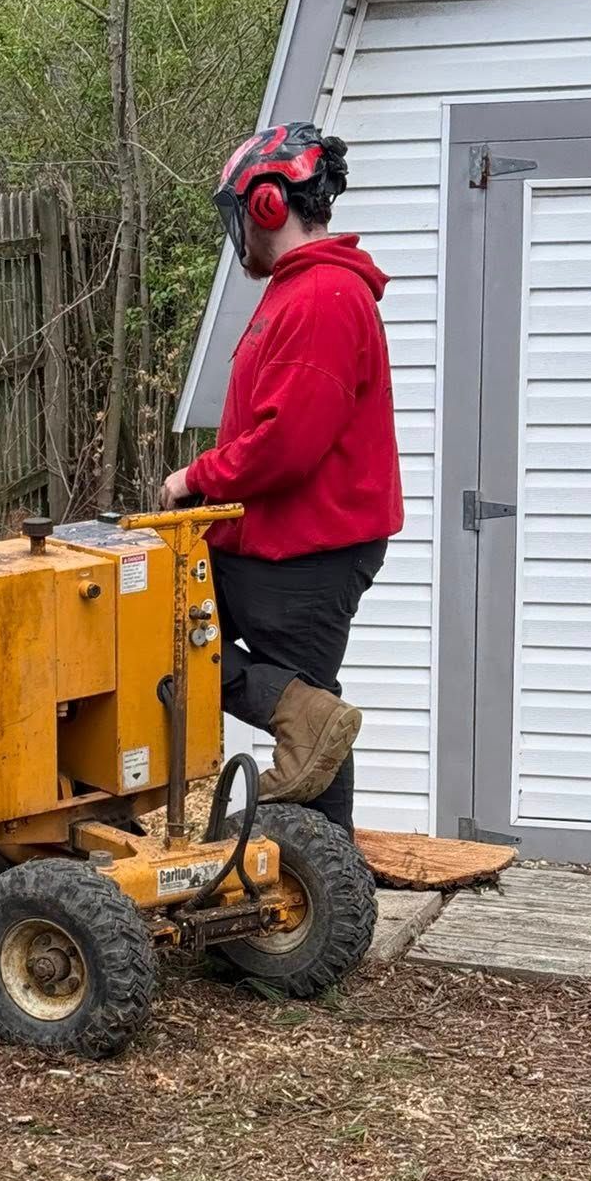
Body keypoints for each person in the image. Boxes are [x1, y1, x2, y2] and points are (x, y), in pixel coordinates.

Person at [162, 123, 403, 835]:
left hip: (308, 549)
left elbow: (287, 445)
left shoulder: (323, 297)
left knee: (311, 716)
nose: (239, 231)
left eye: (242, 212)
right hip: (271, 540)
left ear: (269, 204)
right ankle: (325, 883)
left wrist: (194, 478)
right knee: (172, 645)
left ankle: (321, 891)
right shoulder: (300, 290)